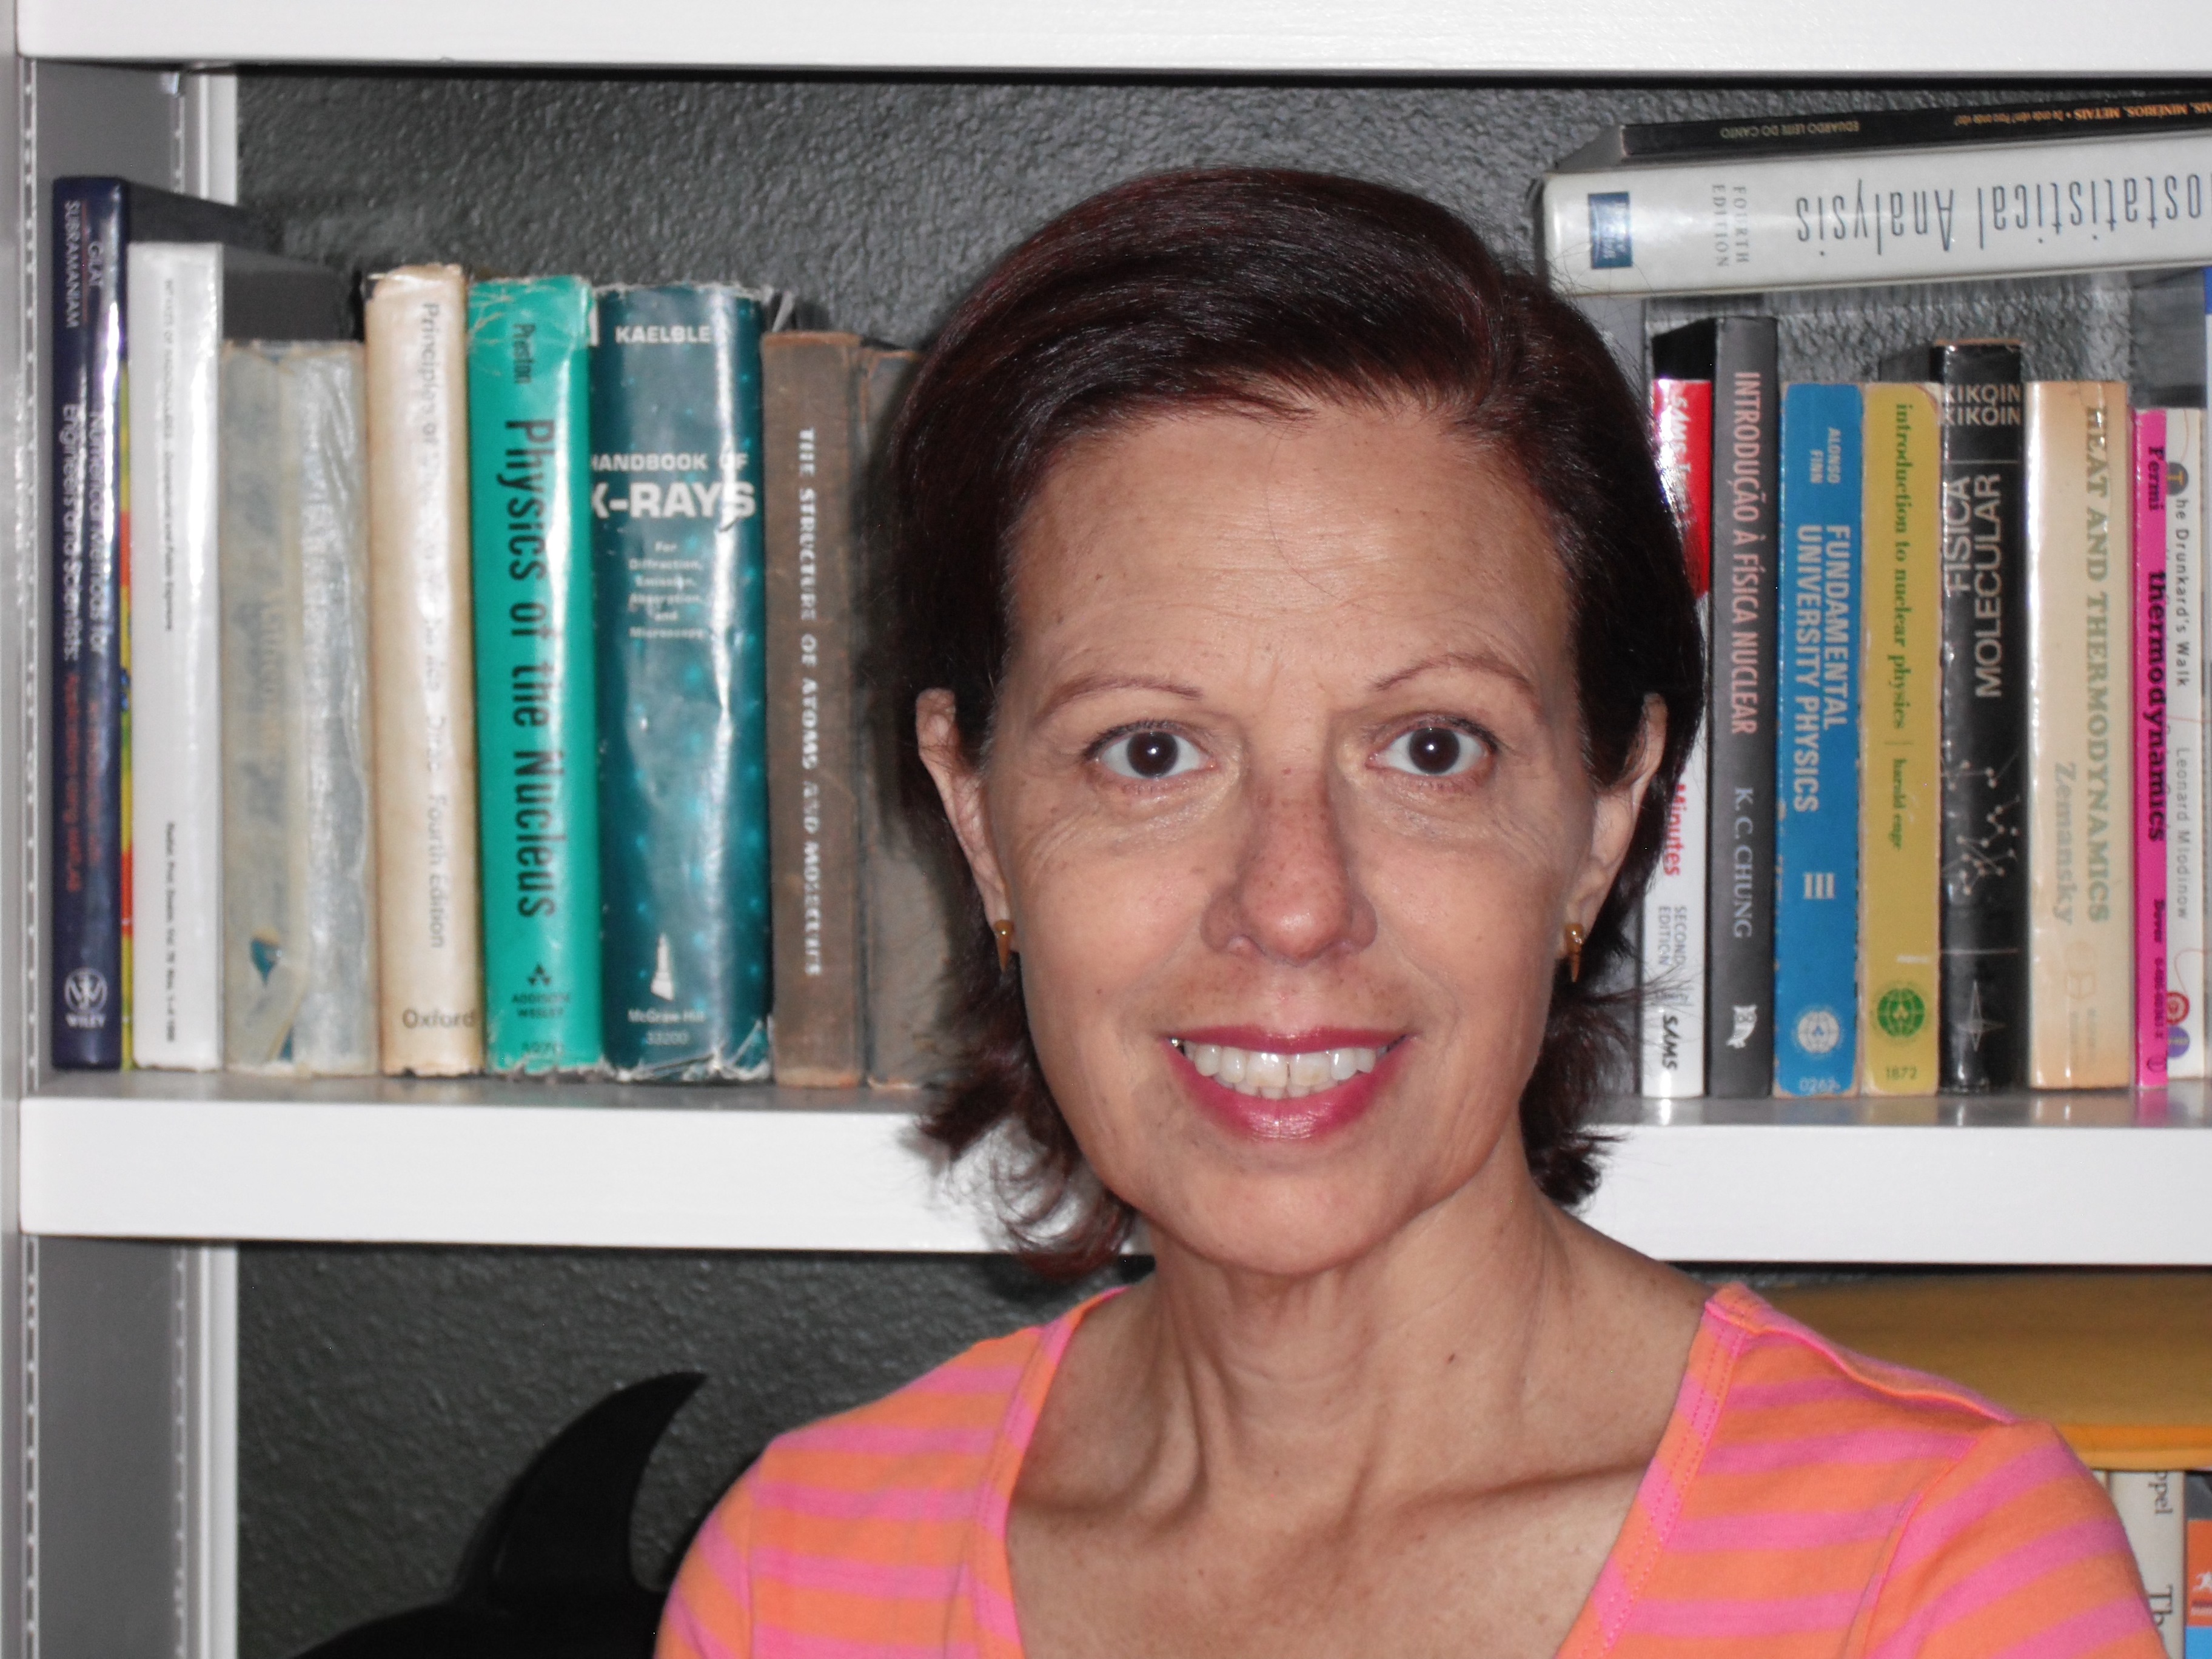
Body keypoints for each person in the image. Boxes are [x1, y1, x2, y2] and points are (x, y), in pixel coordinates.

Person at [659, 170, 2159, 1659]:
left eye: (1432, 749)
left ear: (1605, 816)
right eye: (1151, 753)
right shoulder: (795, 1582)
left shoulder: (1939, 1583)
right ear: (981, 820)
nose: (1293, 905)